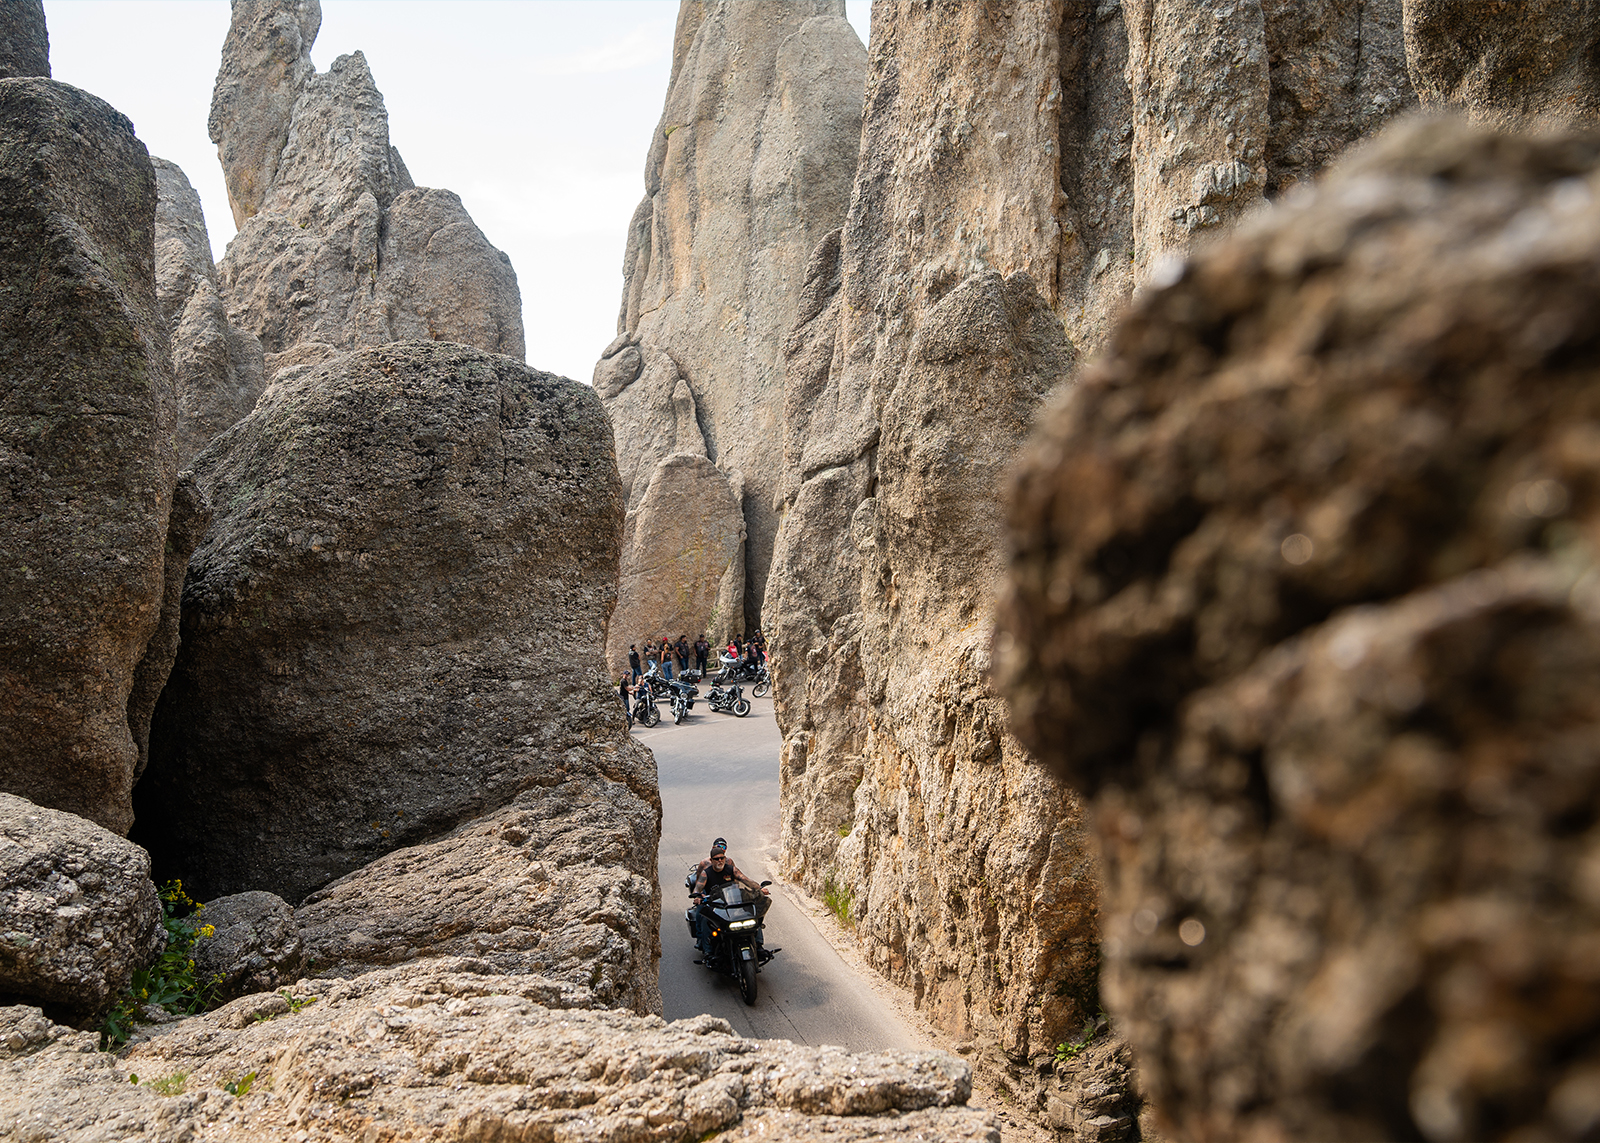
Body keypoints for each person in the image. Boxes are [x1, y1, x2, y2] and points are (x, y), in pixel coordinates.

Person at [691, 838, 770, 959]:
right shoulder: (706, 873)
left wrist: (759, 889)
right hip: (714, 903)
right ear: (711, 860)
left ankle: (759, 945)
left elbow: (745, 880)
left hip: (730, 899)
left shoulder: (731, 868)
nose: (720, 861)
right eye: (716, 859)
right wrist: (698, 896)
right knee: (705, 919)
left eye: (722, 858)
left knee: (752, 915)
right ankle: (708, 950)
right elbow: (698, 888)